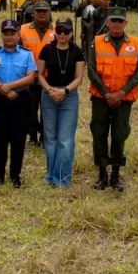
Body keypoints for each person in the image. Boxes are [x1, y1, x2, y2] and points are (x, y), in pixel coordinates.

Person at [87, 7, 138, 192]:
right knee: (99, 134)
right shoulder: (97, 41)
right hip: (101, 98)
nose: (117, 24)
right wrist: (106, 93)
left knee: (119, 135)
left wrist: (121, 93)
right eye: (114, 21)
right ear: (108, 22)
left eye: (120, 21)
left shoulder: (135, 43)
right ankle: (102, 173)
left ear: (126, 23)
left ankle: (116, 174)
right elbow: (92, 70)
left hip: (123, 99)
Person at [0, 19, 37, 187]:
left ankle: (15, 176)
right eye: (6, 34)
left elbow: (31, 77)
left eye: (12, 34)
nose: (9, 37)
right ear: (1, 35)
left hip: (20, 100)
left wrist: (10, 87)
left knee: (18, 139)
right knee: (0, 139)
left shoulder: (26, 54)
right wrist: (2, 89)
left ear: (18, 35)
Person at [37, 17, 85, 188]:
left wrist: (64, 91)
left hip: (69, 97)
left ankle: (62, 178)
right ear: (55, 32)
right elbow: (40, 74)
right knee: (50, 138)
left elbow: (79, 78)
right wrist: (50, 90)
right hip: (48, 95)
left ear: (72, 33)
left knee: (65, 139)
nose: (62, 34)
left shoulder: (77, 52)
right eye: (59, 31)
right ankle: (50, 175)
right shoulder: (46, 50)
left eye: (66, 31)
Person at [19, 0, 55, 147]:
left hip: (49, 78)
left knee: (48, 110)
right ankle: (32, 136)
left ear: (49, 13)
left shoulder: (58, 30)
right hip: (29, 78)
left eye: (44, 12)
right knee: (30, 109)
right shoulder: (23, 30)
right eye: (38, 11)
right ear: (33, 13)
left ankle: (45, 137)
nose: (41, 15)